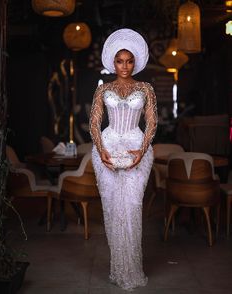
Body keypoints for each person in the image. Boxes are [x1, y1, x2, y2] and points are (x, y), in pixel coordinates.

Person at [89, 28, 158, 291]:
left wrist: (142, 149)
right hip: (106, 149)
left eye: (129, 61)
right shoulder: (102, 89)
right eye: (120, 61)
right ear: (113, 62)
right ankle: (118, 268)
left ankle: (132, 270)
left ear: (136, 62)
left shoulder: (146, 88)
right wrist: (100, 148)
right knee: (112, 209)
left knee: (130, 207)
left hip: (136, 148)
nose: (125, 66)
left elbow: (152, 120)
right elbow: (94, 122)